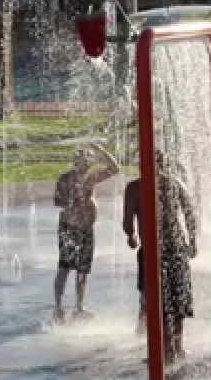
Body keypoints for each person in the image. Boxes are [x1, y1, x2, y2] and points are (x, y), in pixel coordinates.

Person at [122, 152, 198, 362]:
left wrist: (132, 235)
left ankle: (172, 347)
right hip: (169, 249)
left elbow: (189, 212)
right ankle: (169, 347)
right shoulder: (145, 187)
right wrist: (132, 235)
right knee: (170, 300)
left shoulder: (142, 187)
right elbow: (128, 222)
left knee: (168, 300)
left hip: (167, 250)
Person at [53, 143, 120, 322]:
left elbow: (115, 168)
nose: (89, 164)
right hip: (69, 228)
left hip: (86, 229)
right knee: (64, 267)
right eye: (86, 160)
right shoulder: (65, 179)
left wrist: (100, 149)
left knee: (83, 269)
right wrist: (75, 205)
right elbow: (57, 202)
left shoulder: (91, 178)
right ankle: (58, 307)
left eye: (90, 160)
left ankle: (79, 307)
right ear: (77, 162)